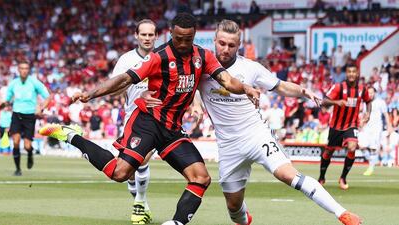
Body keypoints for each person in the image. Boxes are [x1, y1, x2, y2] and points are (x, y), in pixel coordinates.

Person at [39, 13, 260, 225]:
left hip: (172, 129)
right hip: (147, 122)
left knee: (201, 178)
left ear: (194, 36)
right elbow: (124, 79)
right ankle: (72, 136)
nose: (183, 43)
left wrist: (246, 88)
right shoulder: (158, 57)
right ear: (171, 34)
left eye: (188, 39)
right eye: (179, 38)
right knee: (120, 173)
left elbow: (228, 81)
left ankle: (176, 222)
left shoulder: (203, 56)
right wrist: (91, 93)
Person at [143, 19, 362, 225]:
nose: (225, 49)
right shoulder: (201, 65)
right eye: (221, 43)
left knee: (288, 175)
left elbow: (281, 86)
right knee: (234, 208)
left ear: (239, 45)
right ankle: (245, 219)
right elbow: (183, 83)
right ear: (214, 42)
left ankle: (342, 213)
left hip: (256, 135)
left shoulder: (251, 68)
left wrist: (304, 91)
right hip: (228, 146)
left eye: (231, 44)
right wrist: (194, 103)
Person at [109, 19, 158, 224]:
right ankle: (141, 202)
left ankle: (140, 202)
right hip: (132, 118)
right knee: (129, 171)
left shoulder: (162, 57)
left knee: (143, 159)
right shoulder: (126, 60)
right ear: (136, 36)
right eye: (143, 35)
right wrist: (133, 79)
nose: (147, 38)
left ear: (156, 36)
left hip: (156, 118)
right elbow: (114, 89)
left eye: (150, 35)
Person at [318, 64, 372, 190]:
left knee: (352, 147)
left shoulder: (362, 89)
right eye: (349, 72)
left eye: (354, 72)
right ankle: (321, 177)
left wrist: (368, 113)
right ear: (346, 74)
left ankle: (343, 178)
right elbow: (324, 101)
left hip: (352, 125)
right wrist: (336, 102)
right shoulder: (338, 87)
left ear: (357, 73)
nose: (351, 74)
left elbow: (368, 101)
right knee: (328, 151)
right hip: (336, 126)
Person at [5, 60, 50, 176]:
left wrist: (41, 108)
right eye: (22, 68)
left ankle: (30, 154)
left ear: (28, 70)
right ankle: (18, 169)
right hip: (16, 114)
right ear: (18, 70)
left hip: (30, 116)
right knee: (15, 142)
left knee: (27, 146)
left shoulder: (34, 82)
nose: (24, 71)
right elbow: (7, 100)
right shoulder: (13, 83)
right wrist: (2, 104)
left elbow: (48, 97)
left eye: (26, 68)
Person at [359, 87, 392, 175]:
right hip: (367, 127)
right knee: (361, 145)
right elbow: (364, 115)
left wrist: (389, 126)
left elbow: (386, 114)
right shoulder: (365, 102)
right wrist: (361, 124)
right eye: (368, 93)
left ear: (375, 93)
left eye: (372, 92)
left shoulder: (381, 102)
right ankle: (373, 161)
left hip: (377, 128)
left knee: (373, 148)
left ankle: (371, 167)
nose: (370, 94)